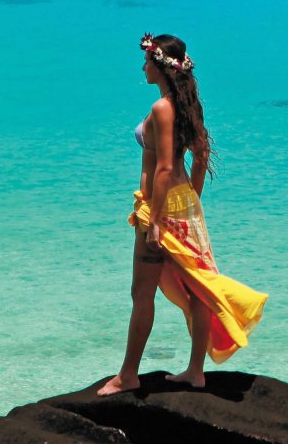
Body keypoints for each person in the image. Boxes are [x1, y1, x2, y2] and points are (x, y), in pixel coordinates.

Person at [97, 33, 266, 394]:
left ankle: (128, 375)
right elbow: (200, 157)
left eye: (146, 61)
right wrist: (191, 201)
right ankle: (195, 371)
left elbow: (161, 168)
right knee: (197, 289)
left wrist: (155, 219)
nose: (142, 67)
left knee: (142, 293)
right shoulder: (188, 105)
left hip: (157, 208)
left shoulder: (162, 109)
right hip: (184, 205)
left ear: (160, 66)